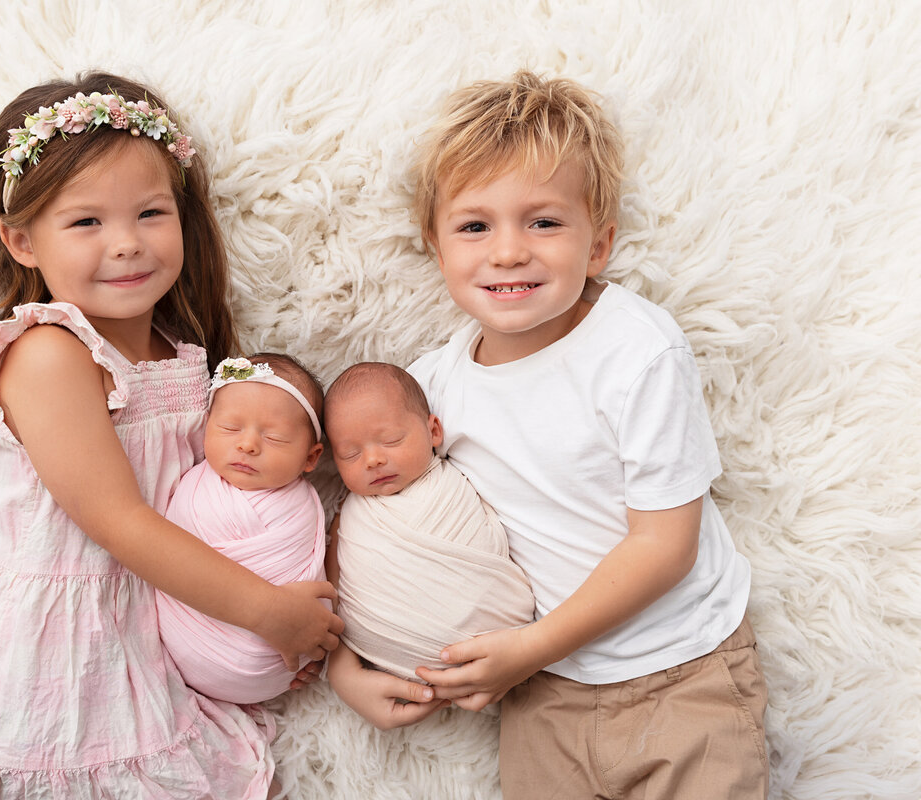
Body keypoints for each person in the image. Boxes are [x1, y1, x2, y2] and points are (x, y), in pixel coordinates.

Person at [0, 72, 342, 799]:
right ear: (21, 241)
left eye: (150, 213)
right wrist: (265, 612)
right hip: (58, 654)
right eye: (86, 222)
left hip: (157, 626)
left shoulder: (185, 357)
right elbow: (120, 521)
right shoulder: (48, 353)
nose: (127, 244)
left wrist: (271, 626)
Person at [327, 69, 768, 798]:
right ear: (438, 252)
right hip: (545, 697)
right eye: (475, 226)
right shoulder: (426, 390)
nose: (507, 252)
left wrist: (526, 650)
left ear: (598, 246)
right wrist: (348, 672)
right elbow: (369, 537)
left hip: (682, 675)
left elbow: (664, 545)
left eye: (544, 222)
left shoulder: (636, 350)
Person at [321, 362, 533, 684]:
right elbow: (333, 581)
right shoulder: (351, 514)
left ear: (433, 431)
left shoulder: (459, 480)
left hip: (501, 644)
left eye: (391, 440)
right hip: (394, 662)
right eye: (350, 454)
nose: (373, 460)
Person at [156, 353, 329, 704]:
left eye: (276, 437)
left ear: (311, 458)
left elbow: (313, 577)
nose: (247, 444)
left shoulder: (305, 509)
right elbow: (164, 558)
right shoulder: (190, 485)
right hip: (185, 649)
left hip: (283, 660)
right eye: (230, 428)